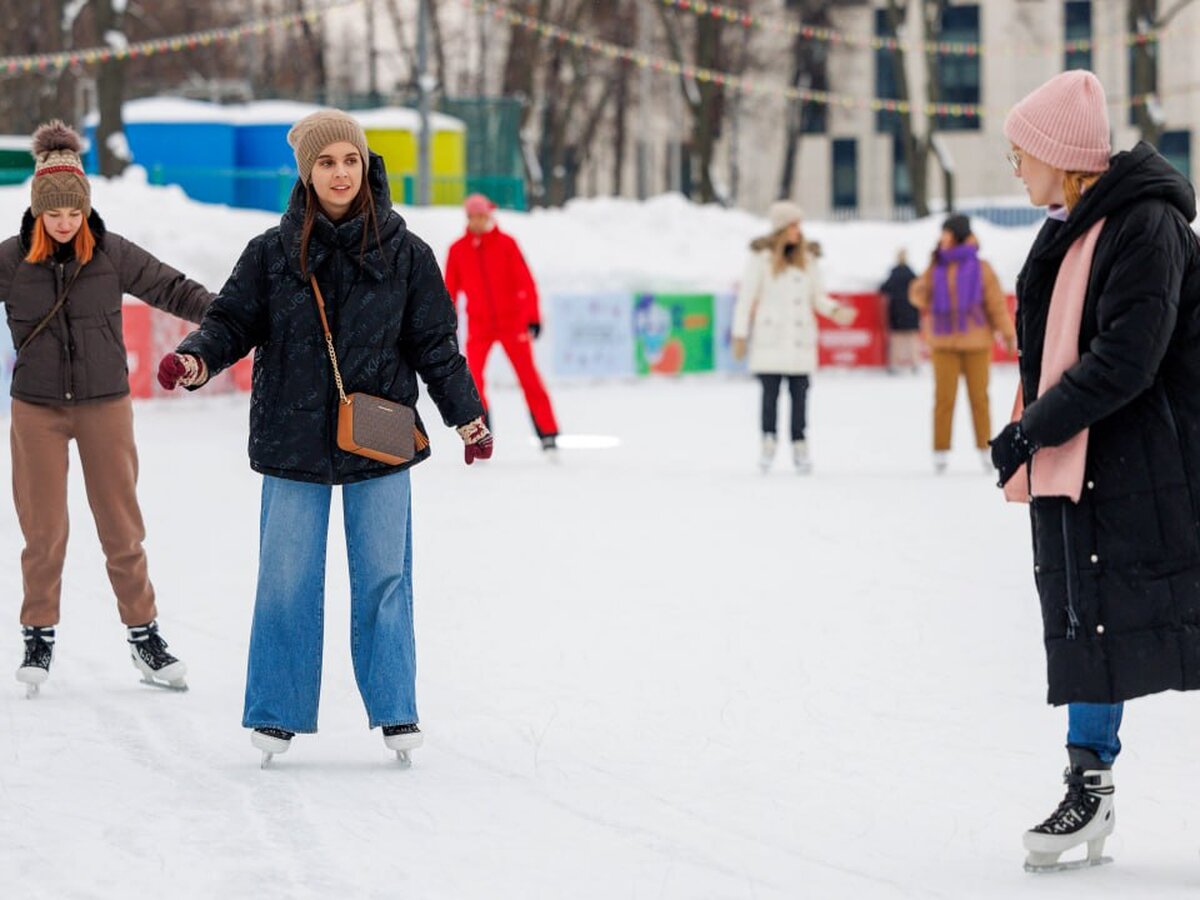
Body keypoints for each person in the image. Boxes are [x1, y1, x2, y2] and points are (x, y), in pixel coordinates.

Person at [156, 110, 490, 765]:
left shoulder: (406, 252)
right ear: (307, 172)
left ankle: (396, 709)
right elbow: (229, 321)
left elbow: (435, 344)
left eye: (350, 160)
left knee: (386, 577)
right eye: (326, 162)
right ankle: (278, 711)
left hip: (380, 432)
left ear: (367, 166)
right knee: (285, 578)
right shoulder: (271, 253)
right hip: (291, 434)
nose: (340, 173)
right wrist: (197, 358)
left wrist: (467, 415)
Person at [989, 70, 1200, 872]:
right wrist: (1036, 433)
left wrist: (1030, 429)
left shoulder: (1143, 226)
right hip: (1097, 467)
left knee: (1177, 615)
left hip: (1163, 468)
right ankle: (1090, 791)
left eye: (1022, 155)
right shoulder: (1069, 228)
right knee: (1093, 624)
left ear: (1061, 156)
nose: (1016, 169)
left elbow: (1127, 358)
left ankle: (1091, 786)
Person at [0, 121, 211, 696]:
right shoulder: (12, 260)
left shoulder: (112, 253)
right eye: (54, 213)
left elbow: (176, 288)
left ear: (87, 207)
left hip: (104, 406)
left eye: (74, 211)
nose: (65, 222)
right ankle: (37, 636)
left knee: (121, 528)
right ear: (39, 211)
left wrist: (230, 318)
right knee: (42, 530)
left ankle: (145, 637)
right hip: (36, 410)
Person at [731, 200, 856, 474]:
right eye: (793, 225)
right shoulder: (760, 259)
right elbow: (746, 297)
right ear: (781, 228)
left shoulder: (808, 259)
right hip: (771, 339)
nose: (798, 230)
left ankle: (800, 445)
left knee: (800, 397)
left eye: (799, 224)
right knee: (770, 397)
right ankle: (768, 442)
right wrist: (739, 333)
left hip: (799, 341)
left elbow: (817, 296)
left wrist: (835, 310)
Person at [444, 193, 560, 454]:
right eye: (473, 217)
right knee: (473, 382)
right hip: (480, 325)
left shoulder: (507, 244)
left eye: (482, 216)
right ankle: (481, 434)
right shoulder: (458, 250)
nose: (478, 221)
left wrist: (532, 316)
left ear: (489, 216)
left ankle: (548, 431)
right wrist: (443, 325)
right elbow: (448, 291)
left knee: (529, 377)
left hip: (512, 323)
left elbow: (525, 282)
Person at [909, 214, 1015, 475]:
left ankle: (985, 448)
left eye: (945, 233)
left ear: (956, 234)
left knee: (979, 398)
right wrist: (930, 267)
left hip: (977, 341)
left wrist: (1008, 333)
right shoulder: (937, 266)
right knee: (944, 399)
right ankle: (941, 450)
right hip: (943, 343)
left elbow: (996, 305)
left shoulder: (982, 268)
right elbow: (917, 296)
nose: (941, 238)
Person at [880, 249, 920, 373]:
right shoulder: (912, 274)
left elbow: (883, 288)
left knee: (896, 339)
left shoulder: (894, 274)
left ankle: (894, 363)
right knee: (912, 338)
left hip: (896, 311)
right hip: (911, 309)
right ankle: (915, 363)